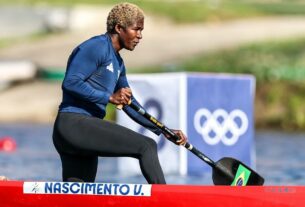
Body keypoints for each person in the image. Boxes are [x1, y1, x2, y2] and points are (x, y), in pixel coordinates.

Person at [52, 2, 187, 184]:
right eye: (136, 29)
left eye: (142, 31)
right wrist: (109, 97)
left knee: (79, 197)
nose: (139, 36)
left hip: (80, 132)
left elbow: (129, 104)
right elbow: (70, 82)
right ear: (119, 28)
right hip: (73, 124)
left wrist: (163, 130)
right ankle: (167, 201)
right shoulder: (96, 47)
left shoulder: (118, 62)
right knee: (146, 146)